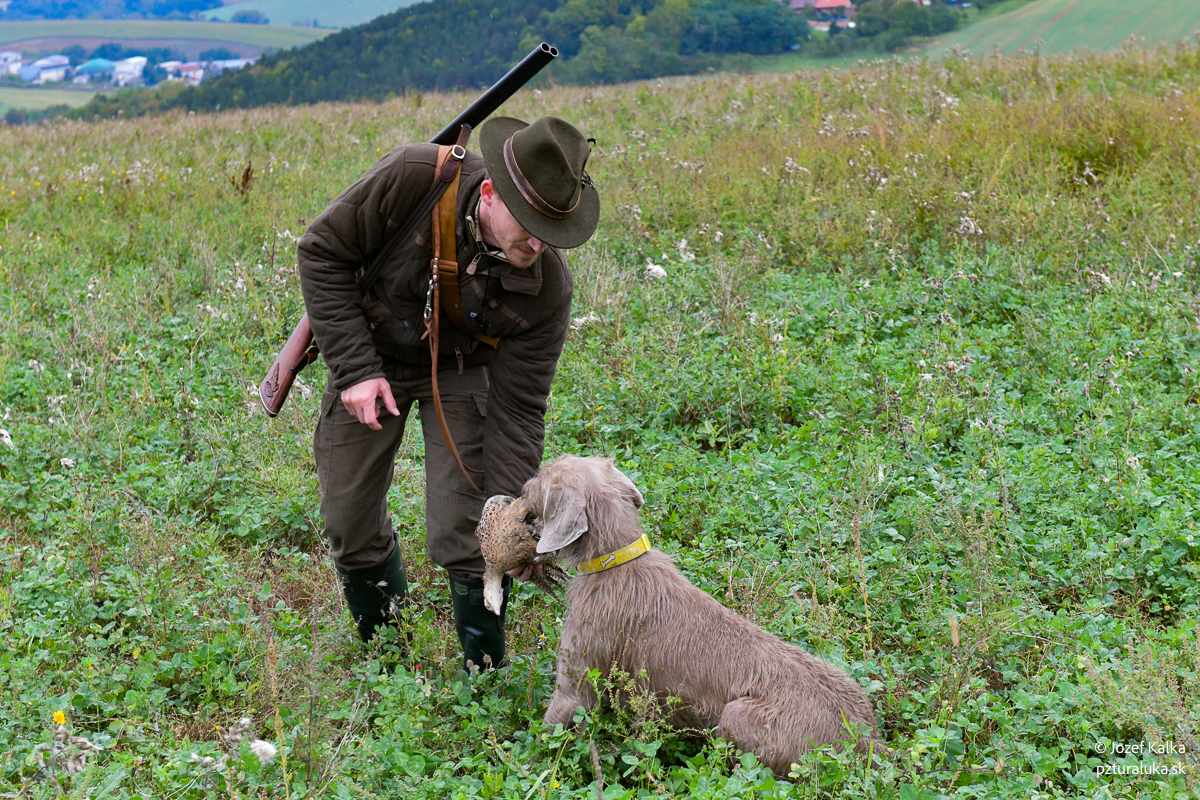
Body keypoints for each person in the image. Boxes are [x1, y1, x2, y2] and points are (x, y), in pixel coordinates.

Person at [297, 116, 599, 670]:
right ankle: (386, 662)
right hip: (371, 354)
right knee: (348, 519)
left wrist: (511, 515)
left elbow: (519, 408)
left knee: (470, 533)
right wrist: (356, 371)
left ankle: (483, 678)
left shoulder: (548, 287)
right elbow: (321, 253)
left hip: (465, 370)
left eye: (552, 230)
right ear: (489, 194)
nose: (538, 243)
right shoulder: (413, 177)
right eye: (528, 223)